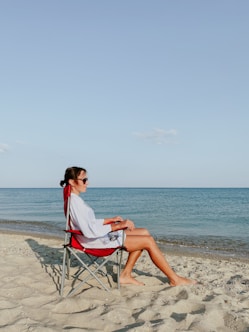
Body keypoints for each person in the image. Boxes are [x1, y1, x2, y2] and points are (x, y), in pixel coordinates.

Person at [60, 166, 197, 287]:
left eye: (86, 179)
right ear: (72, 182)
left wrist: (111, 220)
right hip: (93, 241)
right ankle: (174, 279)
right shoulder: (75, 203)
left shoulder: (75, 200)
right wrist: (118, 226)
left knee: (144, 232)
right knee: (147, 241)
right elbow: (90, 230)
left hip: (93, 236)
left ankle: (126, 275)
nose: (87, 183)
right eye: (84, 180)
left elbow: (90, 223)